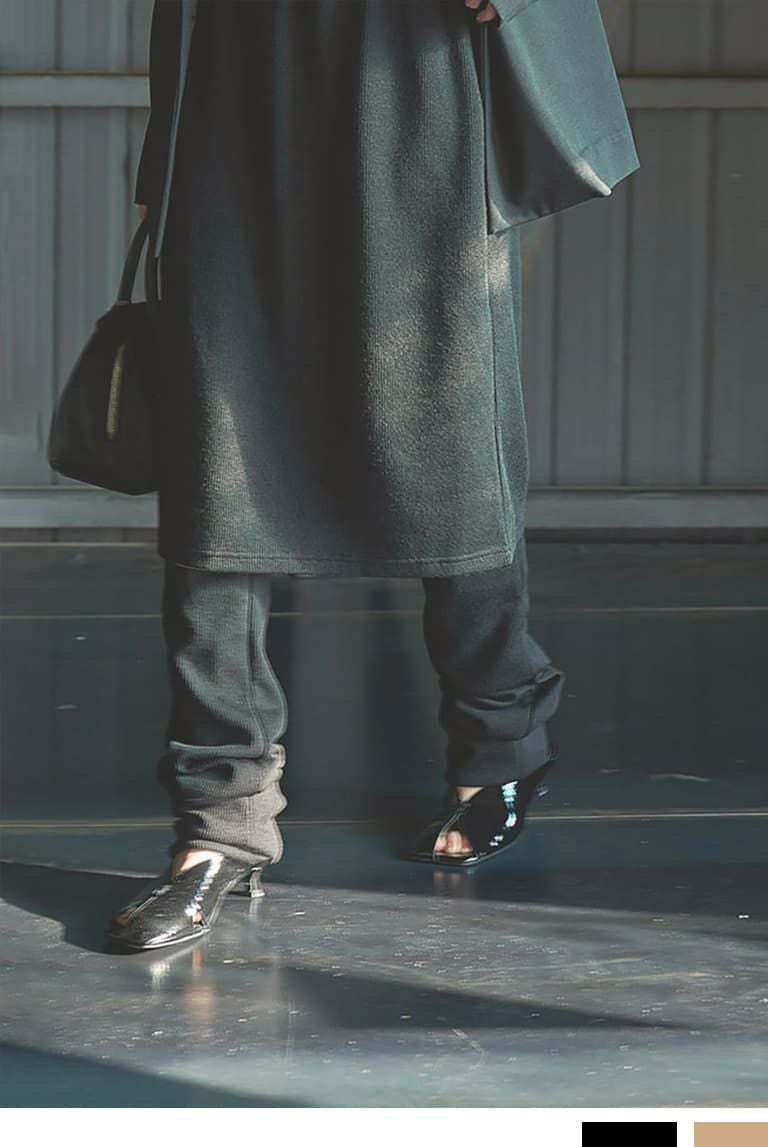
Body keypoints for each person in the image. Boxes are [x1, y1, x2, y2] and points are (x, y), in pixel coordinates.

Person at [107, 0, 635, 952]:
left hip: (411, 83)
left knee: (451, 456)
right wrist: (163, 160)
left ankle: (501, 738)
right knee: (218, 478)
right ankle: (219, 821)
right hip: (239, 92)